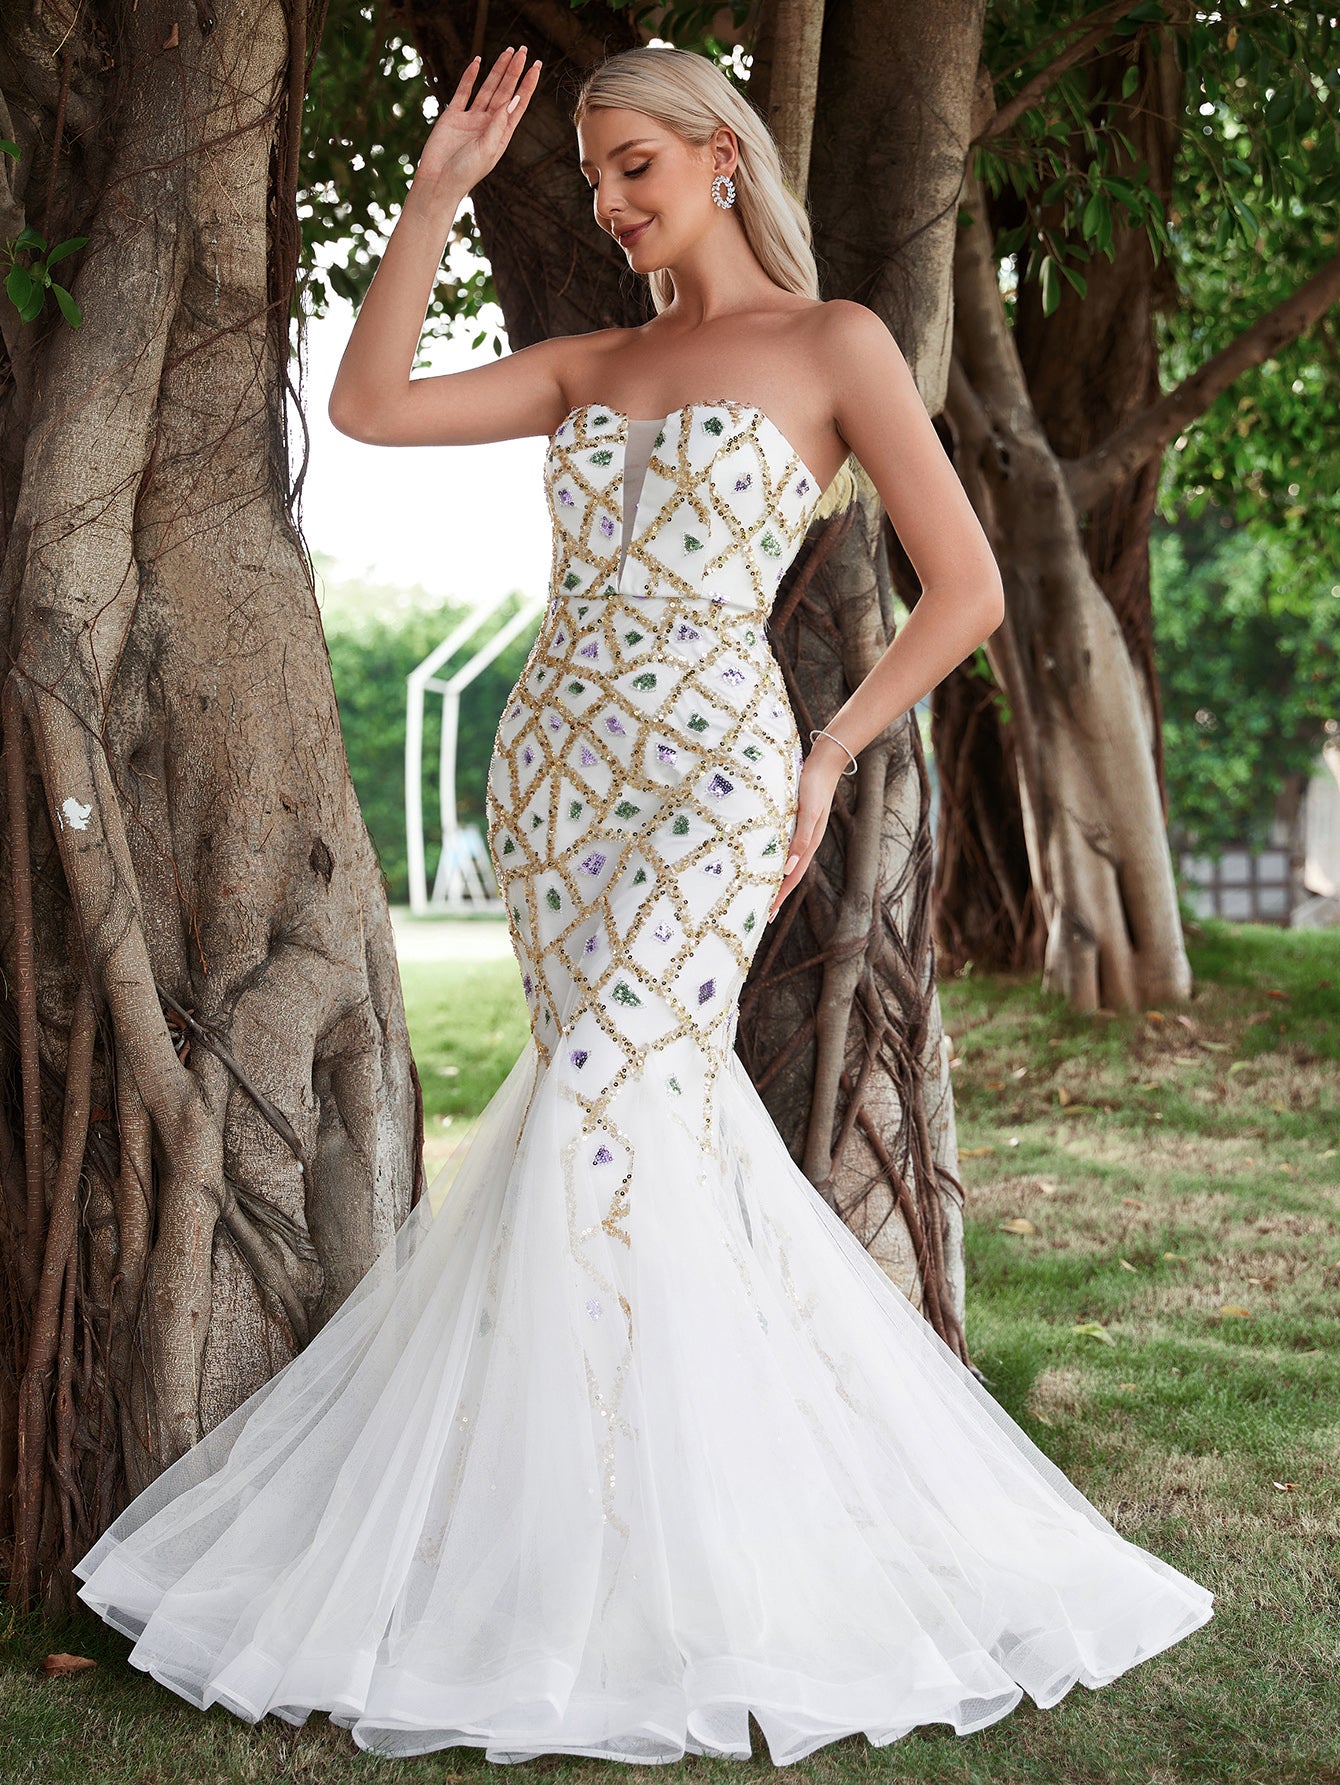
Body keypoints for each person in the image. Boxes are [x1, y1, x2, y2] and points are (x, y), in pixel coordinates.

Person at [73, 43, 1213, 1766]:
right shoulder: (592, 362)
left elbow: (969, 586)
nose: (609, 203)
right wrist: (436, 197)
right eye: (595, 174)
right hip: (552, 777)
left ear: (720, 158)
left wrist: (829, 750)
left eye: (634, 168)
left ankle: (670, 1564)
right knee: (621, 1130)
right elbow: (370, 407)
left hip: (712, 781)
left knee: (611, 1098)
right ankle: (599, 1539)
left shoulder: (835, 345)